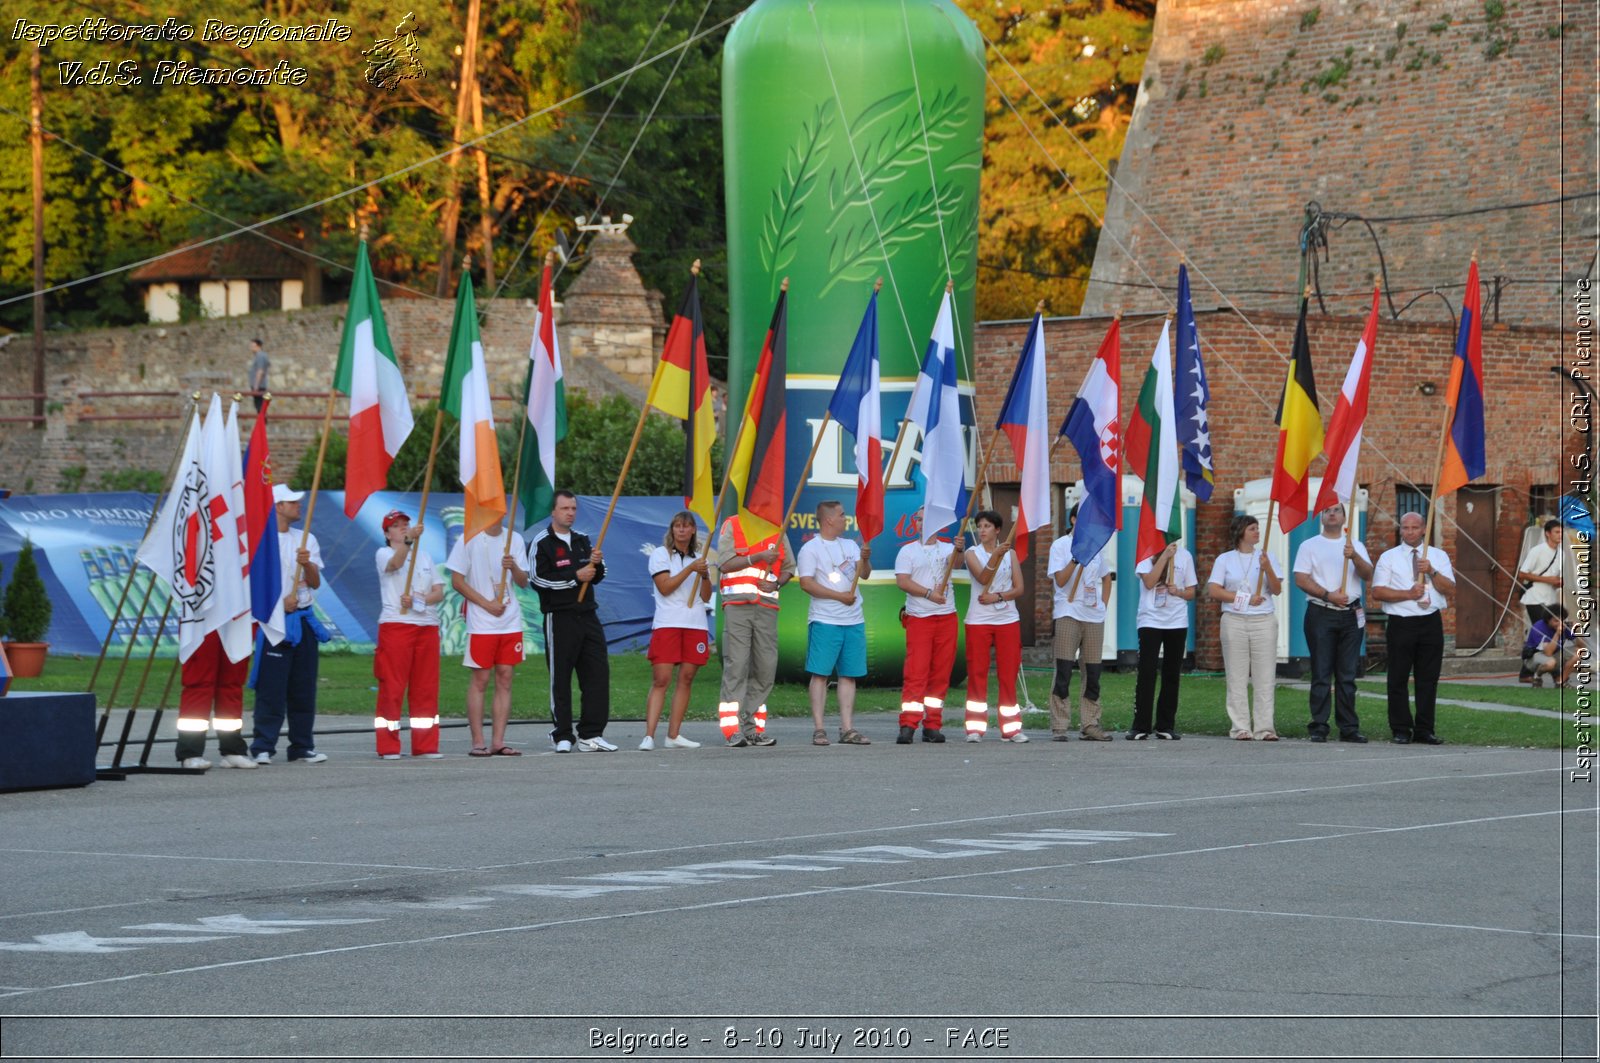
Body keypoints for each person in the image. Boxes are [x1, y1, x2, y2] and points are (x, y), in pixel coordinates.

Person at [528, 490, 615, 752]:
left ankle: (591, 734)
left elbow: (599, 574)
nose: (570, 513)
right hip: (560, 616)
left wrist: (596, 566)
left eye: (574, 508)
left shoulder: (583, 540)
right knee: (561, 677)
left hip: (588, 614)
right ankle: (562, 734)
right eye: (565, 508)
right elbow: (538, 579)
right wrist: (576, 576)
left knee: (598, 675)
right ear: (553, 511)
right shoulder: (542, 542)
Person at [250, 484, 329, 764]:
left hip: (303, 620)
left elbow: (316, 582)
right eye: (292, 502)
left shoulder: (307, 539)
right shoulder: (261, 542)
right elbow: (253, 585)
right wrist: (278, 605)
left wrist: (307, 565)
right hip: (275, 623)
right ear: (278, 507)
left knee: (303, 686)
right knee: (272, 687)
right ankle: (262, 745)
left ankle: (301, 746)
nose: (298, 506)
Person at [1369, 511, 1456, 745]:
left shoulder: (1438, 556)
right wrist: (1407, 594)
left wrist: (1431, 571)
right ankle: (1400, 728)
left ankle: (1424, 729)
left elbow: (1449, 588)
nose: (1409, 532)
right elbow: (1377, 591)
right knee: (1397, 678)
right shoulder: (1389, 557)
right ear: (1400, 531)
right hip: (1401, 622)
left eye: (1414, 528)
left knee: (1427, 678)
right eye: (1405, 528)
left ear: (1423, 529)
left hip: (1430, 620)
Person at [446, 517, 528, 756]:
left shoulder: (514, 539)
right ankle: (478, 741)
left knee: (505, 678)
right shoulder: (469, 538)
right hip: (482, 622)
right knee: (481, 680)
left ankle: (499, 741)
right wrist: (486, 604)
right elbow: (457, 581)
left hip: (510, 620)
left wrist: (513, 567)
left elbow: (523, 582)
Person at [1292, 506, 1374, 744]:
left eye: (1337, 510)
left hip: (1351, 615)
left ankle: (1349, 727)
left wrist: (1354, 557)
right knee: (1321, 672)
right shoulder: (1309, 545)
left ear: (1344, 517)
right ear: (1321, 517)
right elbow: (1301, 578)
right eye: (1327, 510)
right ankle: (1319, 725)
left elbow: (1368, 574)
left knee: (1347, 674)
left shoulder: (1355, 545)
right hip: (1322, 612)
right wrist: (1328, 595)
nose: (1332, 514)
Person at [713, 513, 793, 748]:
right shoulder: (734, 524)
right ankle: (732, 729)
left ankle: (752, 728)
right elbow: (725, 563)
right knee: (737, 666)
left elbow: (789, 567)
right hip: (738, 605)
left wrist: (778, 582)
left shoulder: (777, 527)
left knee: (766, 668)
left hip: (767, 606)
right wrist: (756, 557)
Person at [797, 499, 872, 746]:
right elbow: (806, 583)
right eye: (841, 515)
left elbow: (864, 574)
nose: (845, 518)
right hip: (825, 620)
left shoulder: (850, 545)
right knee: (820, 674)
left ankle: (847, 728)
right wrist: (839, 596)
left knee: (849, 675)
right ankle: (819, 728)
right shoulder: (811, 549)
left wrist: (866, 559)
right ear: (828, 519)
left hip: (853, 620)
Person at [374, 510, 445, 759]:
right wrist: (408, 542)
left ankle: (425, 744)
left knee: (425, 687)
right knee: (392, 686)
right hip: (397, 625)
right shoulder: (383, 553)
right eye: (396, 525)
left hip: (426, 625)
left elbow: (439, 592)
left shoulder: (424, 556)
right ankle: (388, 745)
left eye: (405, 524)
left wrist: (420, 598)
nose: (403, 527)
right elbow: (394, 564)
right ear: (387, 533)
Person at [1206, 514, 1284, 741]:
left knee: (1265, 676)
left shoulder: (1267, 557)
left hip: (1263, 621)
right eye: (1252, 528)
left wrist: (1268, 568)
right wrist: (1244, 598)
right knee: (1237, 675)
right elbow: (1214, 590)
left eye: (1258, 528)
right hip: (1234, 620)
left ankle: (1265, 727)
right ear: (1240, 532)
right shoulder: (1225, 559)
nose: (1257, 532)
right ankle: (1240, 726)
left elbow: (1277, 589)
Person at [642, 511, 712, 750]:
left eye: (686, 526)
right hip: (668, 622)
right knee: (661, 678)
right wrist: (691, 569)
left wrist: (704, 575)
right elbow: (665, 588)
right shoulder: (661, 555)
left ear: (693, 530)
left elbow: (705, 596)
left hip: (695, 623)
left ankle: (673, 735)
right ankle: (649, 735)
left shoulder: (700, 558)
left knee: (687, 678)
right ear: (672, 530)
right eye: (677, 526)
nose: (682, 530)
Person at [1045, 505, 1113, 742]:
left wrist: (1103, 605)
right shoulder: (1061, 545)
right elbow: (1061, 581)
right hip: (1068, 613)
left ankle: (1090, 723)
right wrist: (1076, 558)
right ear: (1073, 519)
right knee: (1064, 670)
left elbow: (1106, 577)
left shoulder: (1097, 547)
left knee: (1092, 673)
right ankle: (1060, 725)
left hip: (1093, 616)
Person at [892, 507, 957, 744]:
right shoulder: (907, 551)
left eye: (925, 519)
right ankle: (908, 723)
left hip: (947, 617)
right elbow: (903, 581)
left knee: (941, 673)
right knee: (916, 672)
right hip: (919, 618)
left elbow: (958, 561)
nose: (920, 523)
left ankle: (932, 725)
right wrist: (929, 594)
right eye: (918, 519)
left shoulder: (949, 549)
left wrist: (959, 549)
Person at [963, 509, 1027, 743]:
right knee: (978, 673)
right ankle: (975, 728)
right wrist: (995, 556)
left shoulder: (1010, 555)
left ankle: (1011, 728)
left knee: (1008, 674)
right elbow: (982, 578)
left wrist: (998, 597)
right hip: (979, 620)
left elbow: (1019, 589)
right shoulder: (972, 553)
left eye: (987, 526)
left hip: (1007, 619)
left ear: (998, 530)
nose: (982, 530)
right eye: (979, 526)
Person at [1130, 539, 1198, 741]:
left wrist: (1179, 591)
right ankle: (1140, 725)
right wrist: (1165, 556)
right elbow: (1149, 582)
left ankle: (1165, 725)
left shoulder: (1185, 556)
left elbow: (1192, 592)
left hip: (1176, 621)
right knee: (1147, 671)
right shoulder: (1145, 552)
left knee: (1172, 673)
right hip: (1150, 620)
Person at [176, 629, 254, 770]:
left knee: (232, 684)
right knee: (199, 683)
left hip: (236, 616)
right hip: (203, 617)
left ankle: (232, 750)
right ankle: (191, 752)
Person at [1517, 519, 1566, 627]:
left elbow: (1556, 576)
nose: (1560, 535)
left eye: (1561, 532)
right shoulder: (1537, 550)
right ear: (1547, 534)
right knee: (1540, 629)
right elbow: (1522, 574)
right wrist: (1548, 580)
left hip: (1550, 598)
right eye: (1557, 532)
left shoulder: (1562, 553)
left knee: (1549, 630)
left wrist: (1558, 582)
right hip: (1534, 597)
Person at [1523, 604, 1586, 688]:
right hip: (1535, 657)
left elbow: (1581, 646)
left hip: (1554, 655)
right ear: (1548, 620)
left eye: (1562, 620)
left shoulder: (1565, 626)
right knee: (1551, 663)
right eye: (1556, 621)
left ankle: (1560, 682)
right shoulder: (1539, 627)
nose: (1560, 623)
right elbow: (1548, 653)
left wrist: (1578, 631)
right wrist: (1557, 634)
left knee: (1579, 653)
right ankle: (1537, 676)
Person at [248, 339, 269, 412]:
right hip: (259, 386)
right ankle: (262, 423)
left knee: (260, 407)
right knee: (259, 407)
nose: (251, 348)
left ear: (258, 346)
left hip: (259, 386)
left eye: (253, 346)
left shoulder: (260, 356)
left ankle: (263, 423)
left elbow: (260, 371)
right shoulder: (259, 356)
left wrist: (256, 386)